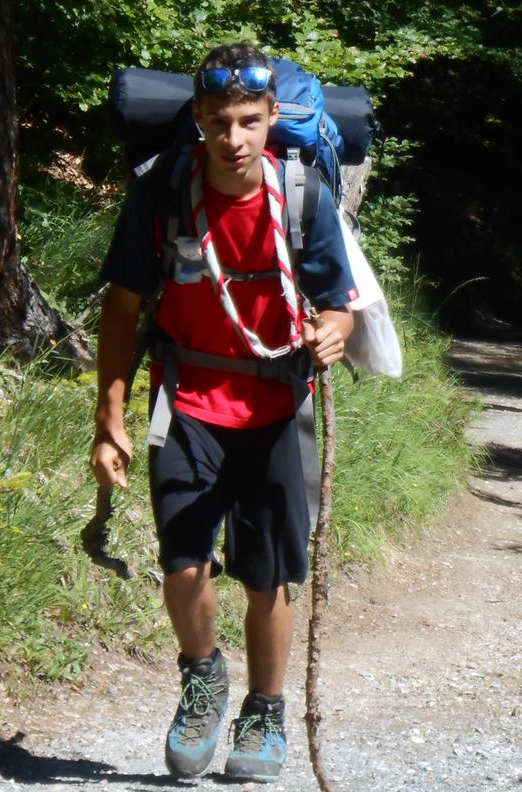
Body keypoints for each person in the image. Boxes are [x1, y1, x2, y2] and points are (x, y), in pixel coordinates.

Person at [90, 43, 355, 783]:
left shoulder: (303, 197)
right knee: (182, 563)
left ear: (272, 119)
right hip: (188, 400)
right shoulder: (165, 192)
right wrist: (108, 412)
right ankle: (203, 679)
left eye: (247, 121)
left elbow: (342, 302)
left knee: (267, 575)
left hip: (275, 403)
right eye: (217, 123)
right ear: (197, 122)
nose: (232, 139)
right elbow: (123, 306)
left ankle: (265, 711)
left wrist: (334, 331)